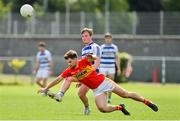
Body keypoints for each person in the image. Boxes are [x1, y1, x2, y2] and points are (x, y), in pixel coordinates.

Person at [38, 50, 158, 115]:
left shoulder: (84, 61)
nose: (68, 64)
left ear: (75, 59)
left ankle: (147, 102)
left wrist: (92, 57)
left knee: (125, 94)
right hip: (96, 90)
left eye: (70, 61)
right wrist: (46, 88)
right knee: (102, 109)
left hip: (104, 82)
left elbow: (94, 57)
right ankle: (119, 108)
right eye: (67, 62)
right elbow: (58, 79)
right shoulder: (69, 70)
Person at [61, 28, 101, 115]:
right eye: (82, 36)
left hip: (94, 75)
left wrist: (83, 76)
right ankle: (87, 108)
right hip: (86, 75)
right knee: (81, 94)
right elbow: (84, 66)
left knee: (103, 104)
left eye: (86, 36)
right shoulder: (83, 50)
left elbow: (96, 65)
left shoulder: (95, 47)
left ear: (91, 36)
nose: (84, 38)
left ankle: (61, 94)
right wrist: (82, 78)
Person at [100, 32, 121, 103]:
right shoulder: (101, 47)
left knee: (111, 83)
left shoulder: (114, 47)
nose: (108, 39)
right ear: (104, 39)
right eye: (106, 38)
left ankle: (109, 98)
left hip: (111, 67)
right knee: (102, 83)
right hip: (103, 67)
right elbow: (99, 58)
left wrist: (119, 69)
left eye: (109, 38)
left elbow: (117, 58)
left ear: (111, 39)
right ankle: (103, 97)